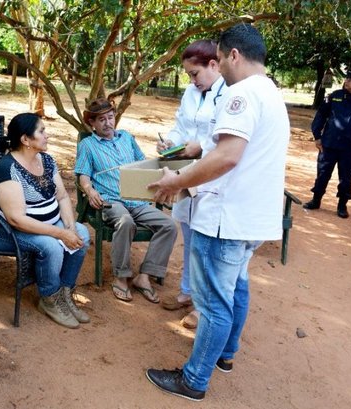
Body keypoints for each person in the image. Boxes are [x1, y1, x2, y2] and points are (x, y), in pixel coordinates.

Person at [145, 24, 290, 401]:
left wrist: (175, 182)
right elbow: (209, 146)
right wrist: (181, 161)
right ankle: (226, 355)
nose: (221, 67)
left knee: (212, 304)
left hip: (226, 218)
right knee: (236, 287)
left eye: (222, 58)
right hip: (252, 218)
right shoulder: (271, 92)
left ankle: (194, 380)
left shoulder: (240, 95)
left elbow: (226, 156)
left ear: (234, 55)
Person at [0, 113, 90, 329]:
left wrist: (71, 228)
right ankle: (49, 298)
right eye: (42, 131)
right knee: (51, 247)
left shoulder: (46, 160)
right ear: (25, 140)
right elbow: (16, 219)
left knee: (82, 235)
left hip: (42, 223)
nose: (47, 135)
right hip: (2, 230)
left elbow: (63, 197)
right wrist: (60, 234)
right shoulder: (8, 169)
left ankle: (65, 293)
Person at [75, 98, 178, 304]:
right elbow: (82, 175)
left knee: (169, 225)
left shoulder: (127, 138)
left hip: (136, 200)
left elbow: (143, 165)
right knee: (125, 222)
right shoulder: (88, 145)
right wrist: (89, 190)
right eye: (101, 119)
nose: (107, 123)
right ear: (92, 123)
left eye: (110, 117)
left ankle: (145, 276)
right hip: (111, 201)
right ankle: (121, 277)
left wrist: (166, 156)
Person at [157, 39, 227, 330]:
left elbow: (224, 142)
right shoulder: (190, 92)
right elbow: (181, 126)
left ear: (213, 65)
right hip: (185, 172)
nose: (192, 80)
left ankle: (202, 303)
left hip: (212, 177)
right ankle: (187, 292)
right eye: (188, 75)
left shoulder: (230, 94)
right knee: (188, 234)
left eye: (195, 74)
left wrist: (200, 148)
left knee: (204, 244)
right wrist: (170, 142)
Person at [302, 68, 351, 218]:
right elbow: (320, 116)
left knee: (346, 178)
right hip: (329, 145)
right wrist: (317, 136)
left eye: (349, 79)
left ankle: (342, 206)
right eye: (345, 79)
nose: (345, 81)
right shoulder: (335, 96)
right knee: (322, 174)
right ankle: (316, 200)